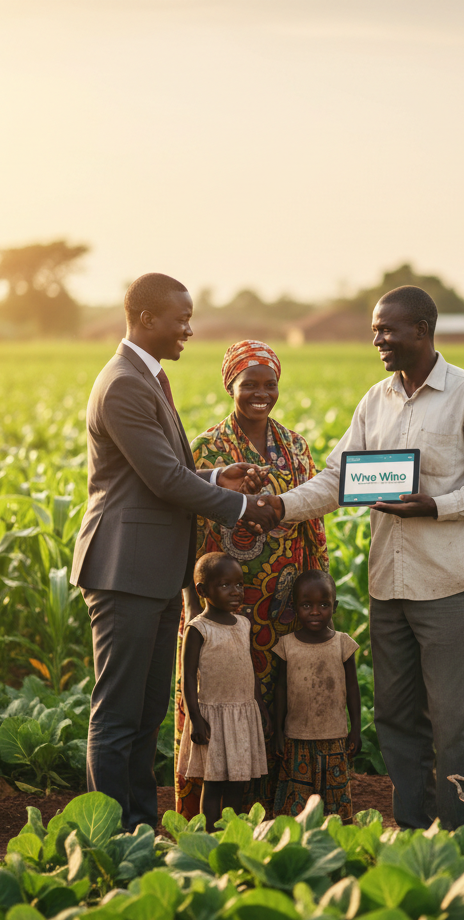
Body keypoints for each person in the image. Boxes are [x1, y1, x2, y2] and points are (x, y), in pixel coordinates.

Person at [256, 285, 464, 829]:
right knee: (397, 719)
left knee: (454, 721)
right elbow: (337, 479)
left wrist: (437, 506)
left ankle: (463, 836)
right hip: (388, 587)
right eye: (375, 329)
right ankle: (413, 828)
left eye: (387, 329)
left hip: (445, 585)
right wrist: (277, 506)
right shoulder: (375, 401)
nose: (376, 339)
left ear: (421, 330)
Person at [70, 273, 277, 830]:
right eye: (180, 318)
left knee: (145, 714)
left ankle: (138, 825)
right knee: (117, 715)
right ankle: (106, 834)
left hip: (154, 571)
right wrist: (239, 508)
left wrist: (217, 476)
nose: (189, 328)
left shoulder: (147, 378)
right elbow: (162, 479)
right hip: (124, 569)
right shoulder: (123, 384)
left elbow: (167, 472)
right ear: (146, 320)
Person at [174, 339, 328, 818]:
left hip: (284, 607)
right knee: (221, 703)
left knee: (277, 703)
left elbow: (314, 518)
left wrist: (316, 588)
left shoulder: (296, 447)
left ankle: (279, 811)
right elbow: (190, 530)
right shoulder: (207, 449)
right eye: (249, 384)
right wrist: (193, 610)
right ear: (230, 386)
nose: (261, 393)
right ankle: (216, 819)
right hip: (225, 608)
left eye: (270, 384)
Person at [176, 552, 269, 823]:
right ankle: (210, 837)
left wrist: (260, 708)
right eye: (225, 585)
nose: (236, 591)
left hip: (242, 715)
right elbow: (189, 678)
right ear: (202, 590)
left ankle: (233, 833)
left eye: (239, 585)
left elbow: (248, 669)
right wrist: (195, 718)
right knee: (214, 782)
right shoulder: (198, 629)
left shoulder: (243, 624)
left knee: (237, 782)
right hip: (212, 718)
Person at [272, 569, 360, 821]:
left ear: (335, 606)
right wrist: (278, 731)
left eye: (324, 604)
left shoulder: (343, 644)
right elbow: (280, 690)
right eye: (306, 605)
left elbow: (352, 688)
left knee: (336, 803)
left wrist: (356, 729)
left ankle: (337, 843)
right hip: (296, 736)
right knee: (296, 804)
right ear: (294, 606)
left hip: (335, 736)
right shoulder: (287, 645)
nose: (315, 611)